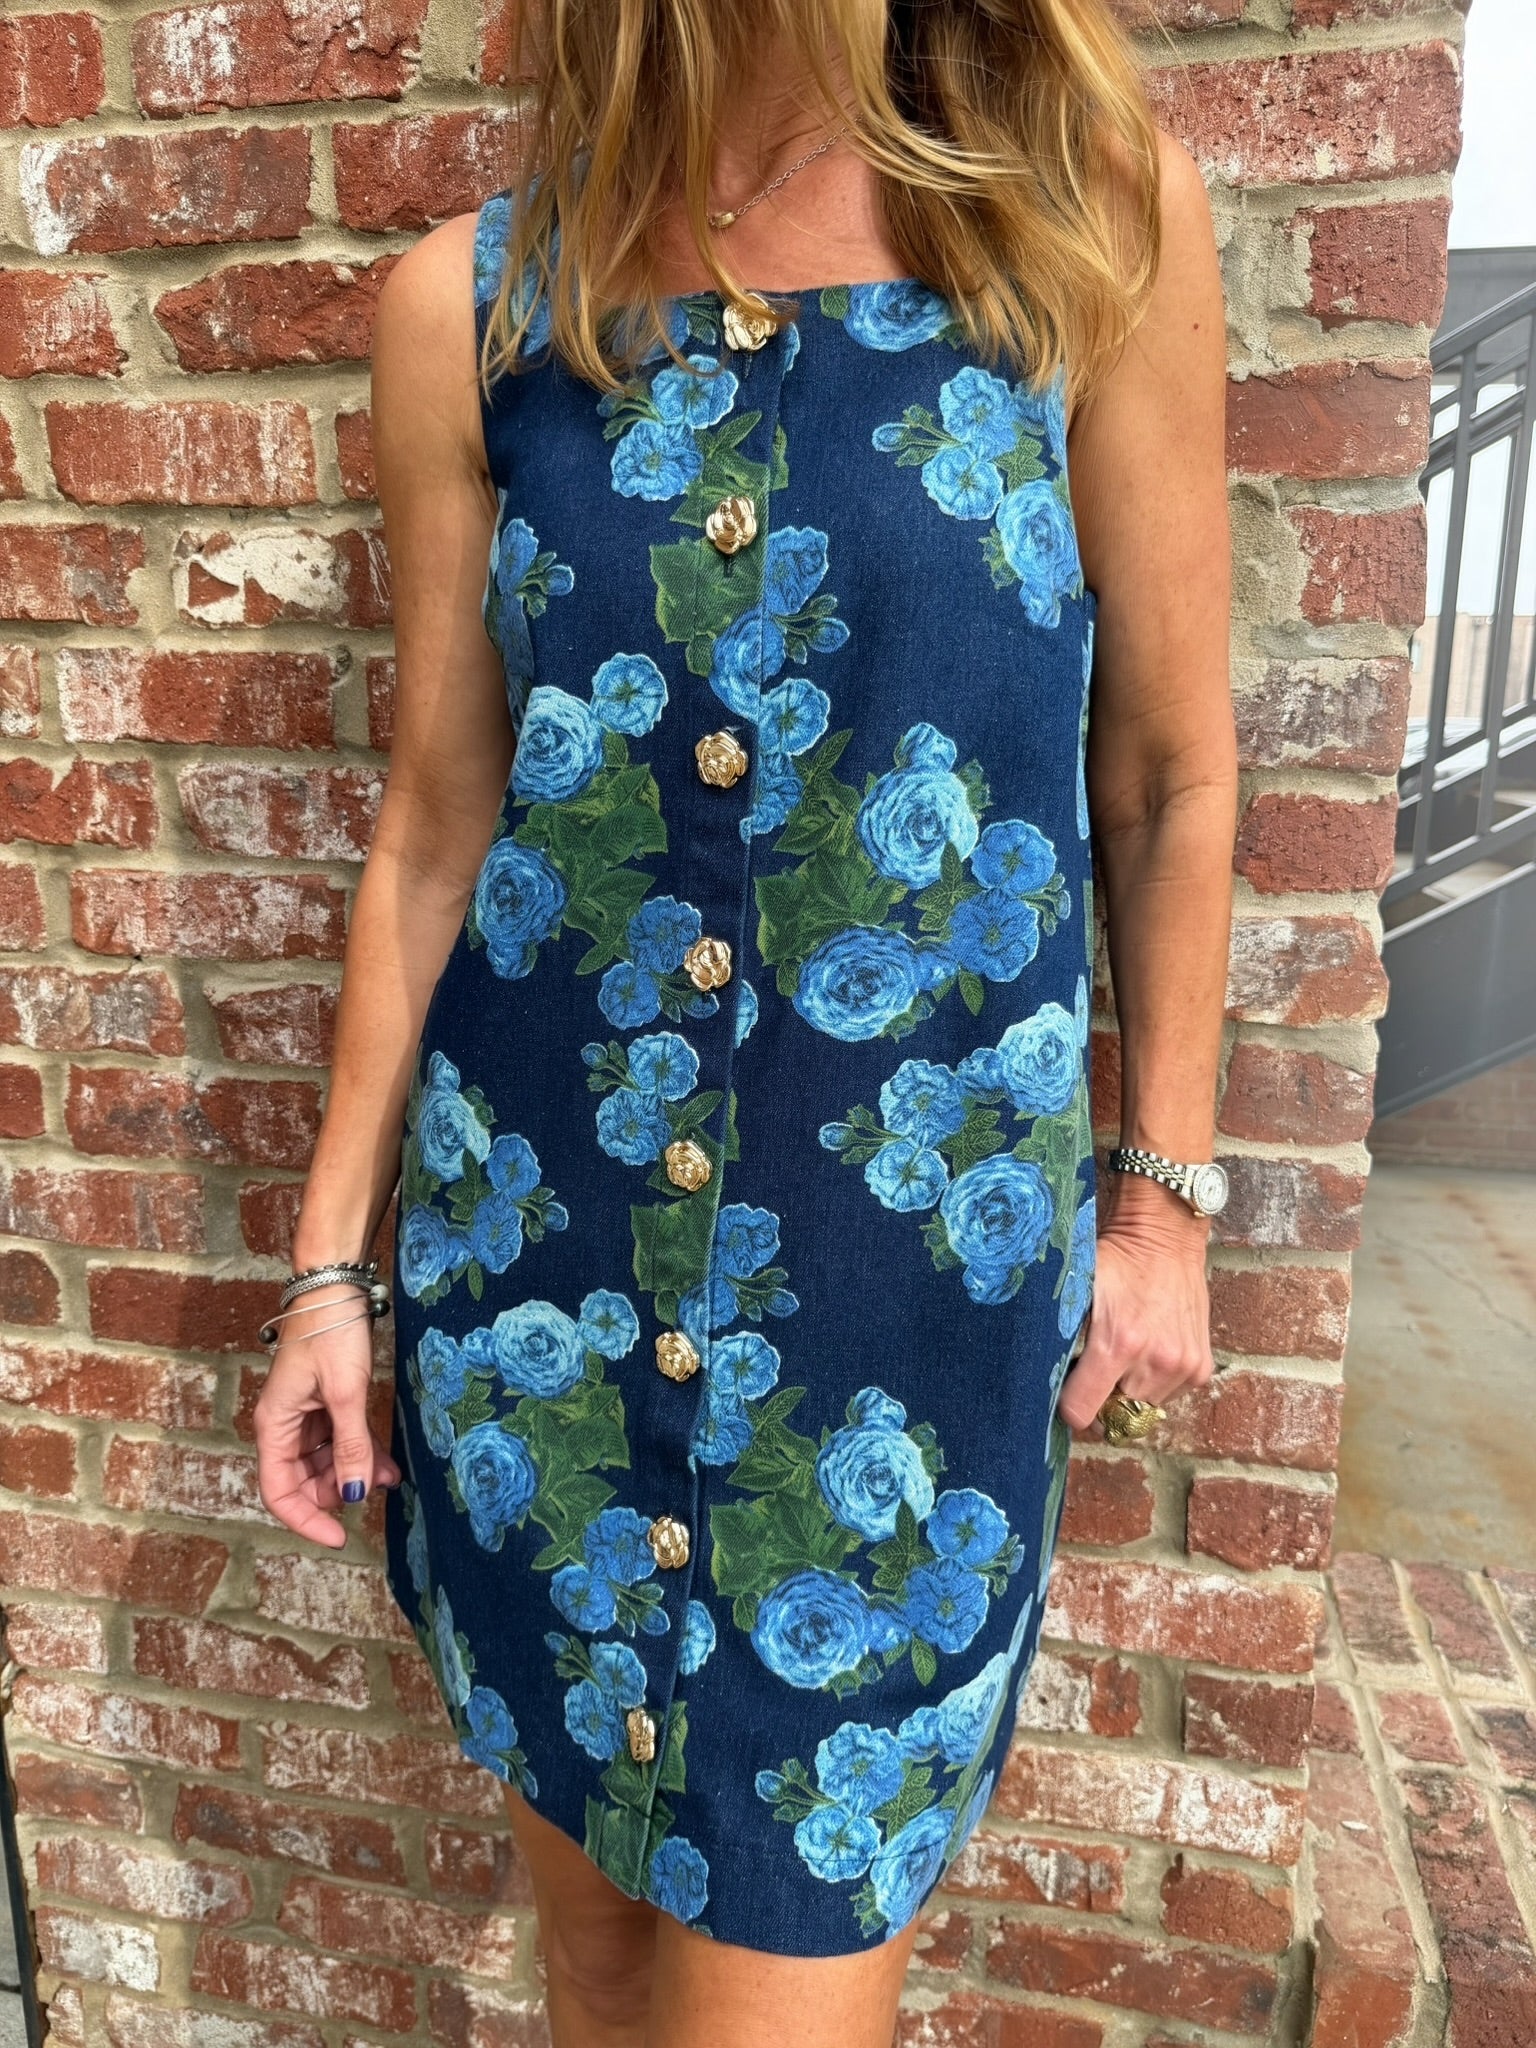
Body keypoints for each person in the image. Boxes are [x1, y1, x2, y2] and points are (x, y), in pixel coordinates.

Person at [253, 0, 1235, 2039]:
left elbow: (1169, 776)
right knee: (597, 1962)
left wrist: (1163, 1201)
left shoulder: (1078, 226)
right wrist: (332, 1270)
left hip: (898, 1354)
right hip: (535, 1318)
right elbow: (435, 825)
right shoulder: (479, 307)